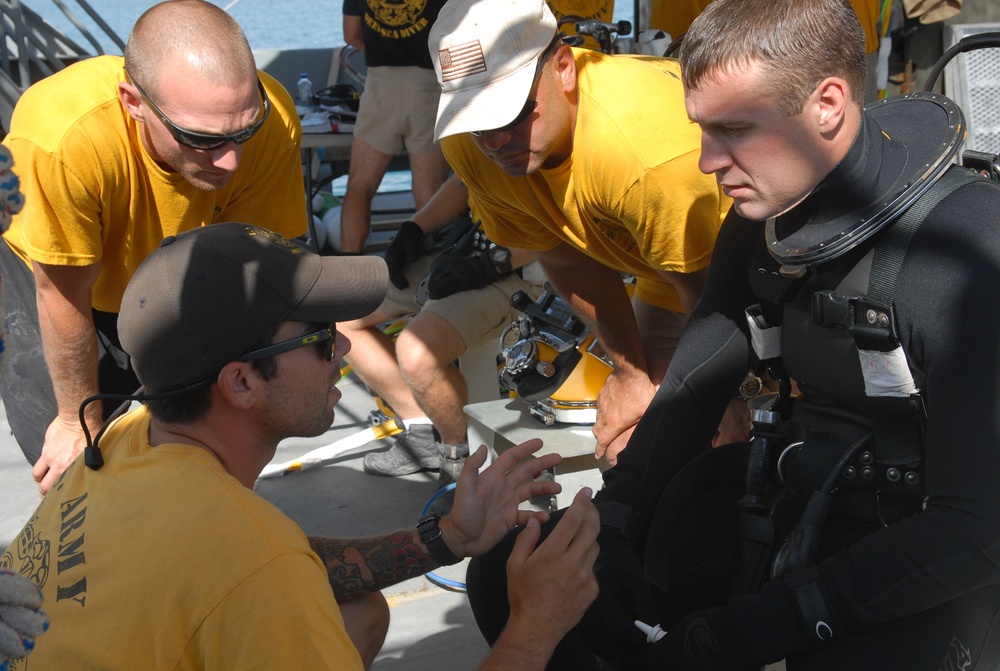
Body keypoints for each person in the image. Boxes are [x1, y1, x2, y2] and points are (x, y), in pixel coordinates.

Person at [465, 0, 1000, 668]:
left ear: (828, 103)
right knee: (510, 573)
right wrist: (617, 522)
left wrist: (744, 632)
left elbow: (978, 528)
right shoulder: (764, 225)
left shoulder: (966, 252)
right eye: (701, 129)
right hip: (800, 501)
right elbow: (692, 386)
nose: (707, 161)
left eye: (733, 130)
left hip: (934, 546)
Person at [0, 222, 600, 670]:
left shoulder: (129, 435)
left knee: (358, 615)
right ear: (240, 382)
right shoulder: (256, 566)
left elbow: (269, 562)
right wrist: (534, 627)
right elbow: (262, 569)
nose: (343, 350)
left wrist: (449, 539)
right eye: (318, 338)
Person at [0, 0, 307, 495]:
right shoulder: (62, 139)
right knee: (80, 469)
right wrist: (75, 422)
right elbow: (63, 298)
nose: (229, 162)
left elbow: (254, 266)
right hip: (57, 280)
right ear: (133, 101)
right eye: (199, 138)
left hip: (173, 262)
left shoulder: (271, 121)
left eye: (243, 132)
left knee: (197, 439)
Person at [429, 0, 732, 464]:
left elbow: (713, 296)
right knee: (628, 449)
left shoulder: (644, 156)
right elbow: (565, 257)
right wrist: (631, 375)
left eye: (509, 114)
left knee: (719, 442)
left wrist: (725, 397)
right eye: (474, 120)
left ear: (564, 67)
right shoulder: (469, 148)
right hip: (667, 274)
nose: (493, 142)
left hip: (746, 267)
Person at [343, 173, 545, 478]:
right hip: (465, 247)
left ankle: (459, 457)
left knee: (417, 354)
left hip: (524, 272)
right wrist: (414, 228)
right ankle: (421, 428)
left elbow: (564, 227)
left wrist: (494, 264)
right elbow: (462, 182)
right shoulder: (470, 135)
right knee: (341, 315)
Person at [338, 0, 452, 253]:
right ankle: (430, 273)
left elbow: (351, 35)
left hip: (380, 85)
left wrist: (385, 51)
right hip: (427, 87)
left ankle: (349, 267)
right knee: (431, 194)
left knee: (359, 186)